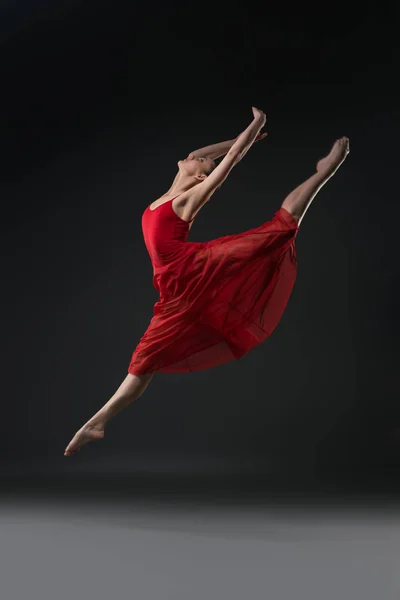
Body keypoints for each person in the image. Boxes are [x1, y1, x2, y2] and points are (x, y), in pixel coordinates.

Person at [64, 107, 349, 456]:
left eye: (200, 163)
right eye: (195, 158)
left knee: (278, 230)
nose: (194, 157)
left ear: (200, 178)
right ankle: (98, 423)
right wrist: (246, 136)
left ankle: (326, 171)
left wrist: (254, 126)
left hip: (196, 269)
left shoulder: (187, 200)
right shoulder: (170, 192)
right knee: (145, 355)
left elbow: (228, 161)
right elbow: (207, 154)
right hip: (174, 286)